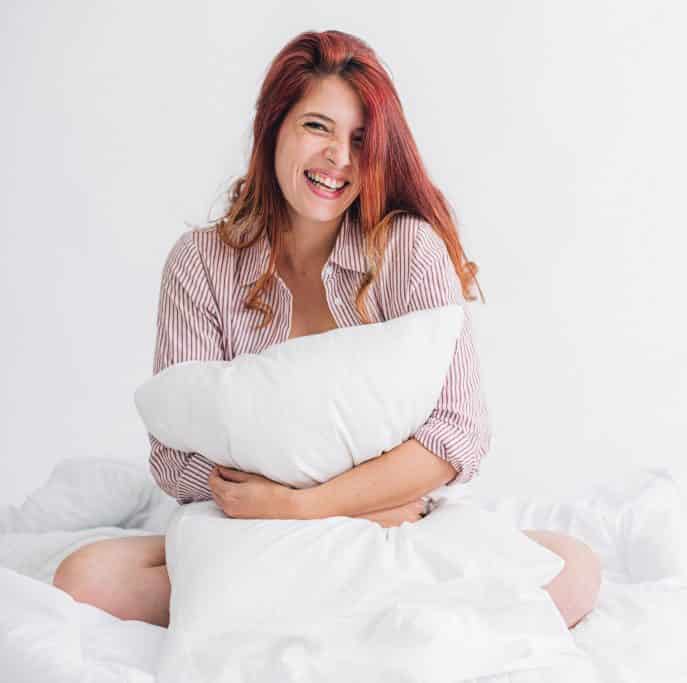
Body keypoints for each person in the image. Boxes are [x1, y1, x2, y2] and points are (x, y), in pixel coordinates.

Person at [51, 29, 601, 631]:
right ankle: (363, 613)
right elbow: (175, 456)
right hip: (252, 536)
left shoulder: (409, 251)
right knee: (89, 577)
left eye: (361, 140)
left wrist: (304, 505)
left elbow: (457, 434)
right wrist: (297, 507)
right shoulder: (200, 262)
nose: (339, 158)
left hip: (386, 531)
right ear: (274, 125)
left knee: (573, 570)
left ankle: (316, 610)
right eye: (318, 127)